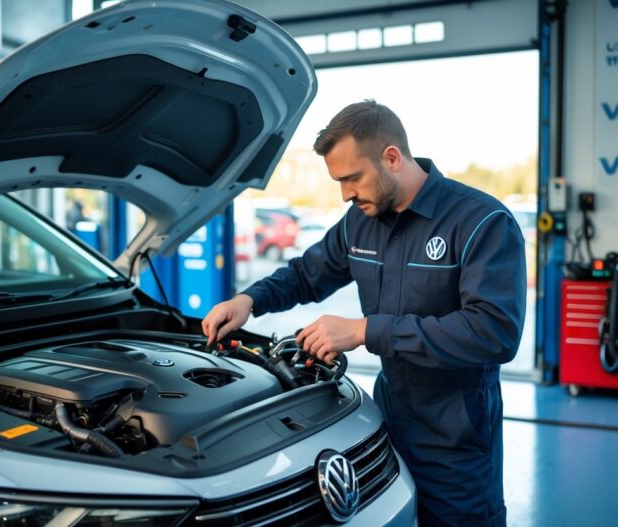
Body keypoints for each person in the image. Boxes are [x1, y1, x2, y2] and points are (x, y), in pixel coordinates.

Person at [202, 100, 526, 526]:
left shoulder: (481, 223)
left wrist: (365, 331)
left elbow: (494, 332)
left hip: (457, 441)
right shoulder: (360, 221)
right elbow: (307, 274)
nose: (346, 194)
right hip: (384, 426)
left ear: (391, 157)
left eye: (352, 178)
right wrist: (250, 300)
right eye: (338, 182)